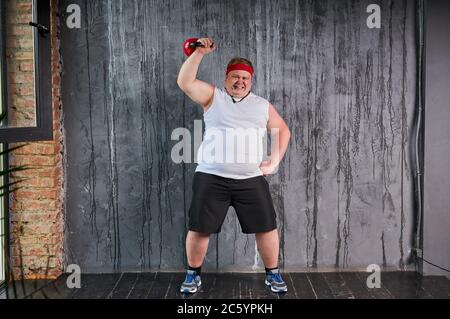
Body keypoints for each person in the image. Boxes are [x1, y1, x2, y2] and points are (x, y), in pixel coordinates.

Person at [177, 37, 291, 294]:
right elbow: (184, 82)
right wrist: (199, 54)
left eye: (245, 78)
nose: (240, 81)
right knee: (199, 228)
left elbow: (282, 130)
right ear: (226, 78)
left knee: (267, 227)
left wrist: (274, 160)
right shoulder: (212, 97)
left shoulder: (261, 105)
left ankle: (272, 275)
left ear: (250, 81)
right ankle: (192, 275)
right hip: (211, 176)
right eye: (235, 76)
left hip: (250, 179)